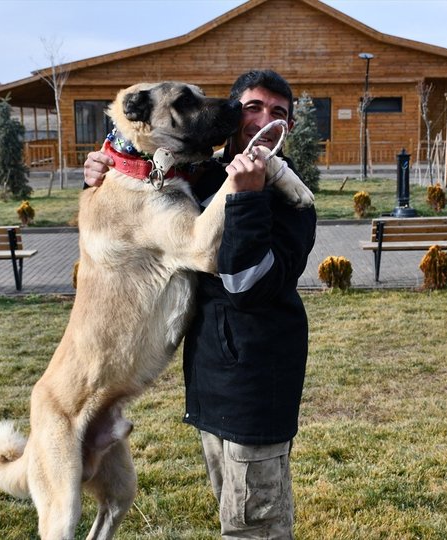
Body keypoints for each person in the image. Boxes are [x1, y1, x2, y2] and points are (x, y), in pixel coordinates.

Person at [83, 70, 317, 539]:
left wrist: (248, 196)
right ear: (233, 114)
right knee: (231, 512)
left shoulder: (292, 202)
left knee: (253, 529)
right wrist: (110, 166)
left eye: (278, 113)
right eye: (253, 107)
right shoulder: (201, 175)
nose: (263, 119)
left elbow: (246, 284)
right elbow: (141, 211)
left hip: (257, 389)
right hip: (210, 385)